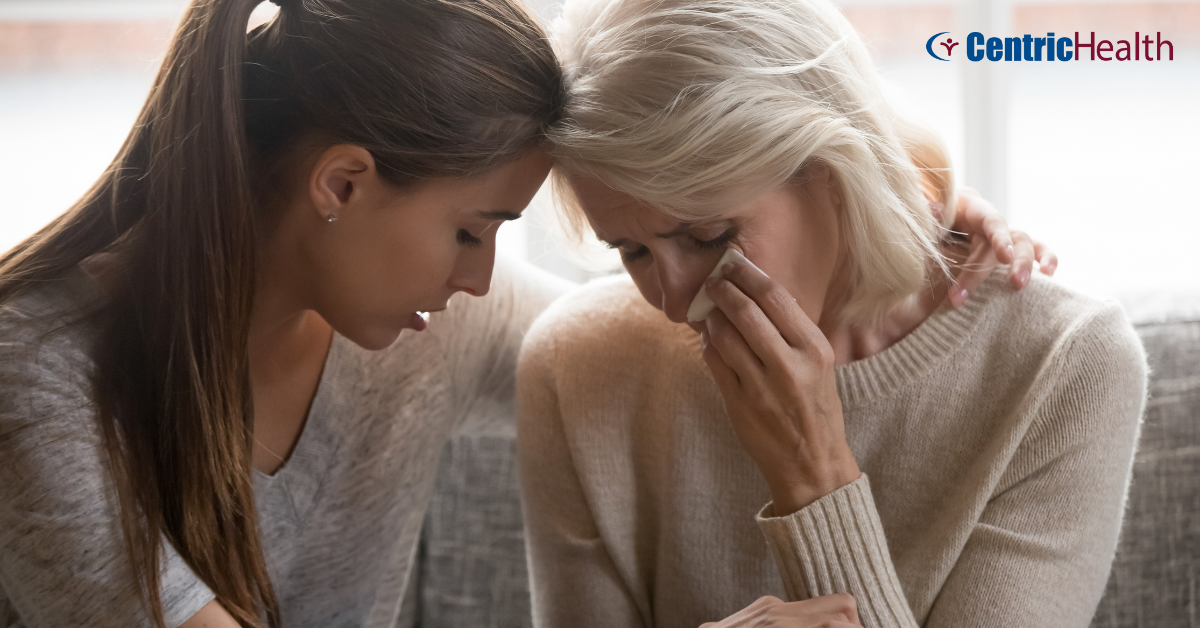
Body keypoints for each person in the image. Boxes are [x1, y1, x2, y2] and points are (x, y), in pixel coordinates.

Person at [0, 0, 1047, 627]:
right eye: (473, 229)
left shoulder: (430, 318)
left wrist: (898, 199)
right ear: (342, 183)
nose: (481, 278)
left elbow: (639, 337)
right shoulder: (35, 376)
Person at [516, 0, 1146, 627]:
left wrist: (814, 479)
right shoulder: (574, 367)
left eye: (708, 236)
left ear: (832, 170)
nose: (677, 304)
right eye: (631, 251)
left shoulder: (1067, 368)